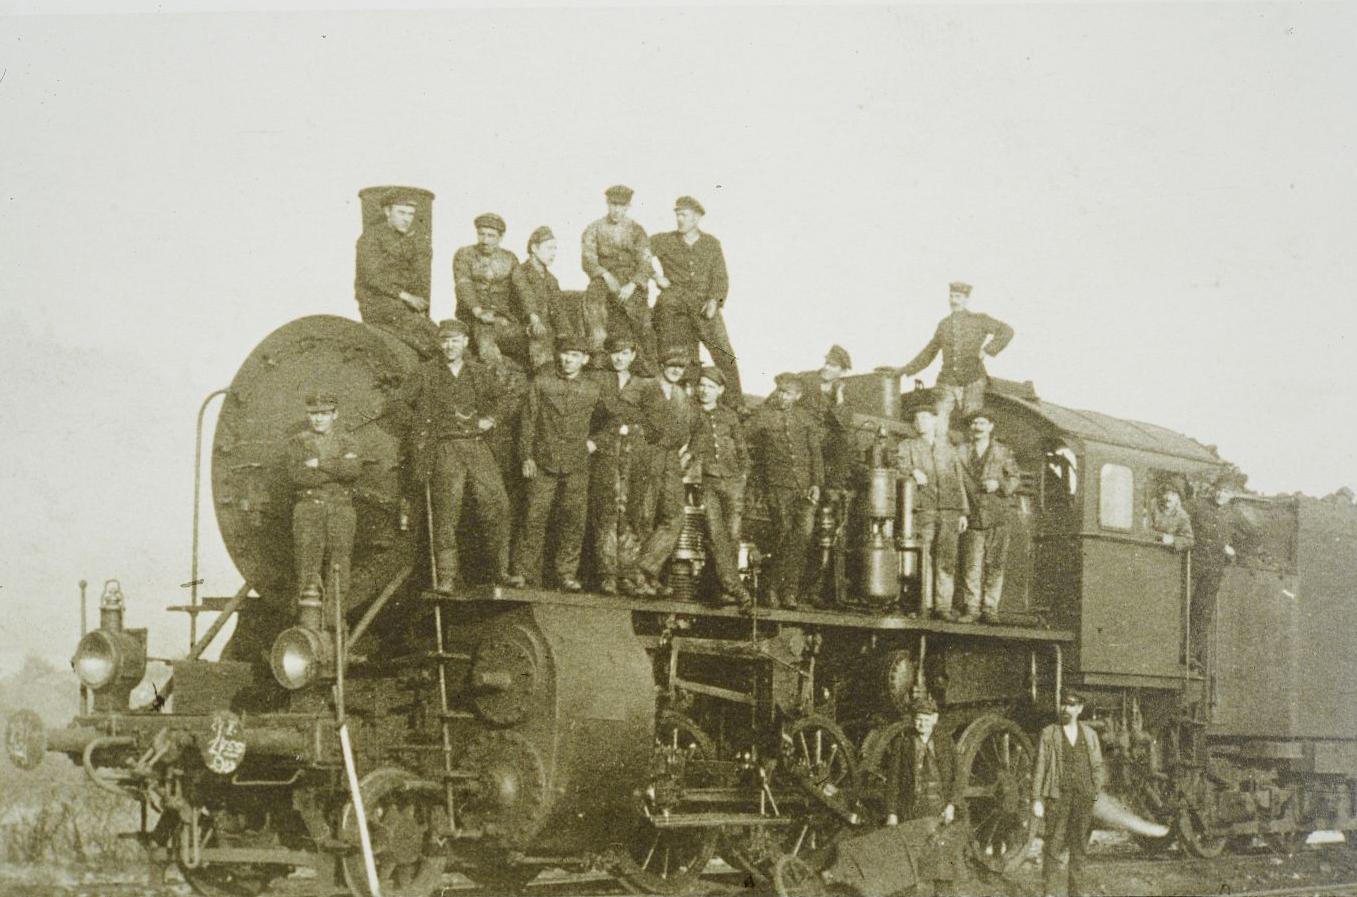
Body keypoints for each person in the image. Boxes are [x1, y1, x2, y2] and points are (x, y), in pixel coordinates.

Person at [401, 319, 515, 591]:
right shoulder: (426, 373)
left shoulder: (478, 372)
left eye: (454, 340)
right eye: (444, 341)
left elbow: (504, 399)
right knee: (446, 512)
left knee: (498, 505)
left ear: (465, 342)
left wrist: (492, 419)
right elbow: (398, 403)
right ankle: (447, 577)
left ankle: (500, 571)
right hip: (445, 448)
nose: (449, 346)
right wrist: (423, 424)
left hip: (475, 445)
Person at [513, 334, 602, 590]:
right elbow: (528, 421)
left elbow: (612, 419)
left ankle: (566, 574)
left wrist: (594, 441)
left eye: (575, 355)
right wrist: (526, 456)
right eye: (564, 354)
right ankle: (521, 572)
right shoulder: (542, 383)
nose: (568, 360)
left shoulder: (593, 389)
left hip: (576, 465)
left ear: (584, 360)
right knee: (533, 516)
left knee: (573, 520)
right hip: (543, 462)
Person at [588, 333, 663, 595]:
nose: (619, 358)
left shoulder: (646, 385)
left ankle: (628, 574)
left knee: (633, 512)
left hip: (636, 453)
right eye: (615, 353)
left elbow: (658, 424)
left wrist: (634, 426)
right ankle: (608, 574)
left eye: (625, 353)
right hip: (606, 451)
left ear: (633, 355)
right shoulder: (598, 379)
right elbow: (593, 415)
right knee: (607, 510)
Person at [650, 196, 742, 403]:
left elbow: (720, 277)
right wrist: (655, 276)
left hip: (702, 305)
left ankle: (735, 403)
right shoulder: (663, 240)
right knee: (675, 354)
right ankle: (675, 402)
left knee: (723, 352)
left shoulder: (711, 244)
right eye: (677, 215)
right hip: (673, 304)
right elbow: (639, 255)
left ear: (697, 217)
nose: (680, 219)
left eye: (684, 215)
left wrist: (714, 301)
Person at [748, 372, 823, 609]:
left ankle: (790, 592)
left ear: (798, 395)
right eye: (780, 391)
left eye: (787, 393)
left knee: (801, 540)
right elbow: (742, 437)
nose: (782, 396)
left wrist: (816, 484)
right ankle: (771, 588)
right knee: (783, 535)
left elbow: (815, 454)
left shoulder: (805, 418)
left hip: (804, 490)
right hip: (778, 487)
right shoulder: (764, 417)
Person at [899, 282, 1014, 433]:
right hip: (947, 381)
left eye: (958, 297)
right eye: (951, 296)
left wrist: (987, 350)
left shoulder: (980, 319)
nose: (953, 300)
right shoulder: (944, 324)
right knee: (939, 425)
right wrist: (904, 370)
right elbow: (929, 351)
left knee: (973, 424)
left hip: (973, 381)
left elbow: (1007, 331)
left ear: (966, 299)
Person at [287, 392, 361, 619]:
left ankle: (333, 623)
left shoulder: (348, 441)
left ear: (334, 414)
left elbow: (353, 471)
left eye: (324, 414)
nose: (318, 419)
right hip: (309, 509)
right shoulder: (298, 442)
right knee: (308, 567)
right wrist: (337, 468)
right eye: (313, 414)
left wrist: (319, 464)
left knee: (339, 567)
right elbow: (298, 476)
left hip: (341, 511)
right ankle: (307, 626)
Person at [688, 366, 754, 610]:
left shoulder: (729, 416)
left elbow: (741, 449)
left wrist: (743, 475)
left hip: (732, 482)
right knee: (715, 535)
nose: (704, 391)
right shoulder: (690, 412)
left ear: (720, 390)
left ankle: (718, 589)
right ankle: (735, 588)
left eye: (710, 387)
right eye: (702, 385)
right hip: (706, 481)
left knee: (732, 535)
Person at [897, 404, 970, 620]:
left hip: (950, 510)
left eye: (926, 418)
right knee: (923, 557)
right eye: (918, 419)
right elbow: (897, 465)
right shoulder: (907, 446)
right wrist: (912, 470)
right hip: (923, 509)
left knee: (946, 560)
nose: (922, 423)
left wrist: (963, 512)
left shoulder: (948, 449)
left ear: (935, 421)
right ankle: (924, 605)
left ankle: (943, 607)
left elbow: (959, 481)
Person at [885, 694, 961, 896]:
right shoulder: (903, 744)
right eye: (918, 719)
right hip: (912, 810)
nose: (921, 724)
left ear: (935, 719)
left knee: (942, 866)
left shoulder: (945, 742)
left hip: (939, 810)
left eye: (926, 720)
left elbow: (957, 777)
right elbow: (893, 782)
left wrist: (952, 805)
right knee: (908, 864)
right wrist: (892, 812)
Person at [633, 349, 695, 596]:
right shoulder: (646, 386)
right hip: (647, 454)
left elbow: (688, 426)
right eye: (672, 365)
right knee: (644, 514)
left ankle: (646, 569)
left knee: (674, 517)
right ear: (662, 364)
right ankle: (635, 577)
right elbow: (627, 409)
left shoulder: (681, 395)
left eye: (680, 367)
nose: (676, 370)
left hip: (670, 457)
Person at [1032, 690, 1106, 897]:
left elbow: (1098, 766)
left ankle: (1076, 893)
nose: (1066, 709)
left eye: (1072, 705)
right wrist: (1036, 798)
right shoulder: (1049, 733)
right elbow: (1040, 766)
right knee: (1053, 846)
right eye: (1064, 704)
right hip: (1058, 797)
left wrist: (1094, 791)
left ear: (1080, 709)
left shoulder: (1090, 734)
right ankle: (1050, 893)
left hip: (1083, 798)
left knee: (1079, 848)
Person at [353, 189, 438, 357]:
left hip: (402, 306)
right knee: (432, 339)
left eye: (410, 214)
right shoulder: (371, 238)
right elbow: (371, 276)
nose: (406, 219)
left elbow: (416, 277)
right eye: (401, 212)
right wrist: (406, 296)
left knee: (438, 335)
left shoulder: (408, 241)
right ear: (387, 212)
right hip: (378, 304)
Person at [958, 408, 1021, 624]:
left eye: (982, 423)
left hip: (998, 516)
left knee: (995, 564)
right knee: (972, 565)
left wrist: (999, 485)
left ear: (990, 427)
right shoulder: (961, 452)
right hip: (973, 514)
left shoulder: (1003, 452)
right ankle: (972, 608)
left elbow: (1014, 479)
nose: (977, 427)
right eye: (974, 423)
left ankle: (990, 608)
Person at [582, 185, 655, 371]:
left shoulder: (636, 230)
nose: (616, 210)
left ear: (628, 206)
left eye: (621, 206)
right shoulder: (594, 228)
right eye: (613, 205)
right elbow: (588, 259)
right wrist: (605, 275)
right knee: (595, 311)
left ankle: (646, 365)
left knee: (643, 323)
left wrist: (633, 284)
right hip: (603, 279)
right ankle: (597, 355)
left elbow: (645, 262)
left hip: (630, 280)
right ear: (607, 204)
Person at [452, 213, 520, 365]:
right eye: (481, 234)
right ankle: (497, 383)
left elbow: (523, 288)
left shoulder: (509, 258)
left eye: (491, 236)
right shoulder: (464, 254)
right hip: (473, 317)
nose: (485, 240)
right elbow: (463, 284)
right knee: (486, 344)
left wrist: (533, 316)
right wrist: (478, 311)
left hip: (502, 316)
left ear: (500, 238)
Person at [511, 226, 565, 370]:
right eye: (549, 248)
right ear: (534, 248)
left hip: (546, 329)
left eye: (555, 249)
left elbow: (559, 311)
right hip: (523, 327)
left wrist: (567, 336)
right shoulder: (520, 272)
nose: (554, 253)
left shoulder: (551, 279)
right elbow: (524, 294)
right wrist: (534, 318)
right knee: (539, 338)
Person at [1150, 483, 1196, 552]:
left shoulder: (1182, 516)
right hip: (1149, 546)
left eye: (1173, 495)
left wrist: (1173, 540)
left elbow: (1189, 540)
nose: (1169, 498)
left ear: (1178, 498)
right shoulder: (1153, 506)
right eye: (1166, 494)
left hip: (1166, 552)